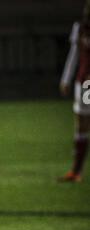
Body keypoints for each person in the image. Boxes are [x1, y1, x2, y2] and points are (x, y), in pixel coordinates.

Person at [59, 0, 90, 182]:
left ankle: (76, 171)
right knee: (81, 126)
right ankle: (76, 171)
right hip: (84, 83)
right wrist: (66, 79)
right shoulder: (79, 28)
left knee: (83, 125)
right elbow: (73, 55)